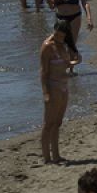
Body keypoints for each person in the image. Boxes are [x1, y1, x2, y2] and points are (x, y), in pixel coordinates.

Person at [39, 22, 76, 164]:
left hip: (64, 86)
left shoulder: (64, 45)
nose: (58, 38)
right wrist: (45, 92)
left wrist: (73, 62)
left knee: (58, 123)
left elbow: (64, 64)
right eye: (57, 34)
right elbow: (43, 71)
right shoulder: (48, 46)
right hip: (53, 86)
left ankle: (56, 155)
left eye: (61, 36)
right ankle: (46, 157)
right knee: (49, 123)